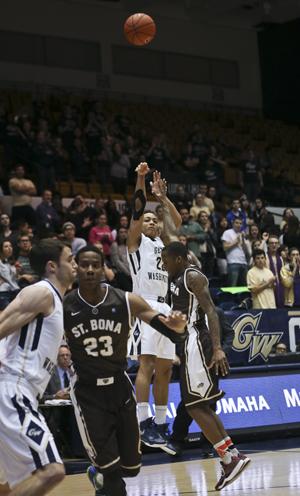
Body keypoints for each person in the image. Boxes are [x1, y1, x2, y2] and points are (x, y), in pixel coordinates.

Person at [63, 245, 187, 496]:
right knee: (111, 471)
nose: (89, 270)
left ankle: (99, 474)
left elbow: (167, 329)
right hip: (88, 391)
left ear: (103, 268)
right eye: (84, 265)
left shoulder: (126, 299)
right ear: (76, 267)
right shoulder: (65, 304)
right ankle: (104, 475)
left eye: (95, 265)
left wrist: (177, 327)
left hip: (120, 387)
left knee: (130, 468)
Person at [162, 242, 250, 491]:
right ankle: (232, 455)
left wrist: (218, 347)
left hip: (196, 343)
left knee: (194, 405)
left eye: (166, 260)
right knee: (200, 404)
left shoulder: (191, 275)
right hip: (189, 343)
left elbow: (211, 311)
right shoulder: (179, 276)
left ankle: (228, 458)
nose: (164, 264)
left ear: (178, 259)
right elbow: (172, 236)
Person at [0, 239, 77, 495]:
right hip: (13, 390)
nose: (75, 264)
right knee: (52, 471)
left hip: (20, 393)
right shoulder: (42, 292)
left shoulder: (57, 301)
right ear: (52, 266)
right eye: (70, 259)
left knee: (7, 486)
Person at [127, 163, 182, 452]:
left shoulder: (163, 243)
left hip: (165, 307)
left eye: (153, 220)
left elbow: (177, 222)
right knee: (146, 364)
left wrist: (162, 199)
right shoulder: (137, 245)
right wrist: (141, 179)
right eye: (147, 219)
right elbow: (136, 210)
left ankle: (161, 425)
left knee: (165, 369)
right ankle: (143, 422)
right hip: (143, 304)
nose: (150, 222)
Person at [167, 307, 234, 457]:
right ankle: (177, 441)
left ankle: (209, 444)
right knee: (188, 403)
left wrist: (221, 351)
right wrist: (176, 354)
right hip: (190, 363)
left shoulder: (217, 312)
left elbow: (229, 333)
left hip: (211, 364)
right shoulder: (184, 313)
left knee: (210, 404)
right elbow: (174, 335)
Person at [221, 218, 249, 286]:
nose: (238, 225)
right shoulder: (227, 232)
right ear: (233, 223)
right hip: (233, 262)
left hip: (243, 262)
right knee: (232, 285)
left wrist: (242, 240)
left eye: (240, 223)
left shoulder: (242, 234)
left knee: (244, 286)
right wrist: (235, 242)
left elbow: (245, 251)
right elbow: (225, 247)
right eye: (236, 223)